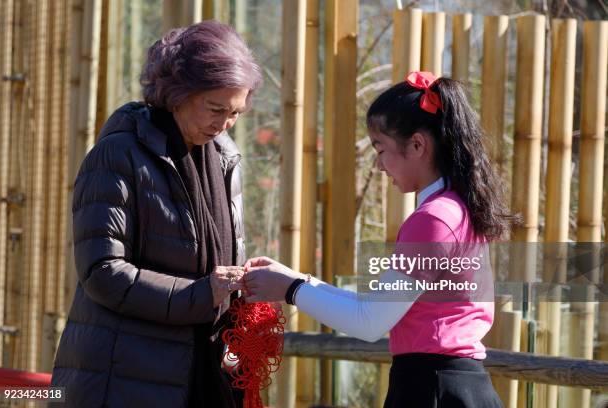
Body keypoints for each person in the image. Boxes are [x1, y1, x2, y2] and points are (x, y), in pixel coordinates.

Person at [237, 72, 508, 407]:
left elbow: (369, 322)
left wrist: (291, 289)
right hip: (453, 386)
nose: (378, 165)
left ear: (418, 144)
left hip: (431, 388)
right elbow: (374, 309)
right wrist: (294, 279)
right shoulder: (457, 209)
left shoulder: (433, 220)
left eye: (381, 149)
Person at [50, 21, 260, 408]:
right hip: (121, 380)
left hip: (202, 372)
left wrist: (243, 279)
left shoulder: (226, 159)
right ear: (178, 93)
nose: (224, 124)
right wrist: (201, 294)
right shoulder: (117, 155)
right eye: (216, 108)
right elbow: (101, 272)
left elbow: (214, 261)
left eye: (235, 113)